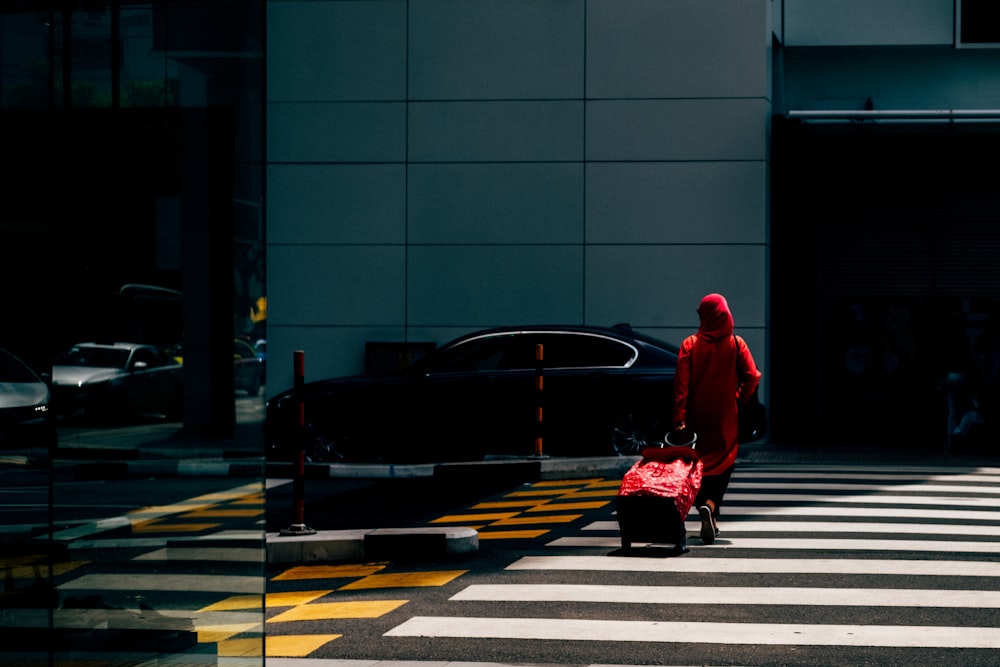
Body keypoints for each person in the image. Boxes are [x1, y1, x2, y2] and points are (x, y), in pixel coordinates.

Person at [672, 293, 761, 544]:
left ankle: (706, 508)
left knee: (698, 466)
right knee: (725, 461)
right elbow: (752, 376)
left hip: (697, 417)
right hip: (726, 416)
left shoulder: (690, 344)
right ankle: (710, 505)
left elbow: (681, 385)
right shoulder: (736, 343)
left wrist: (679, 417)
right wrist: (740, 398)